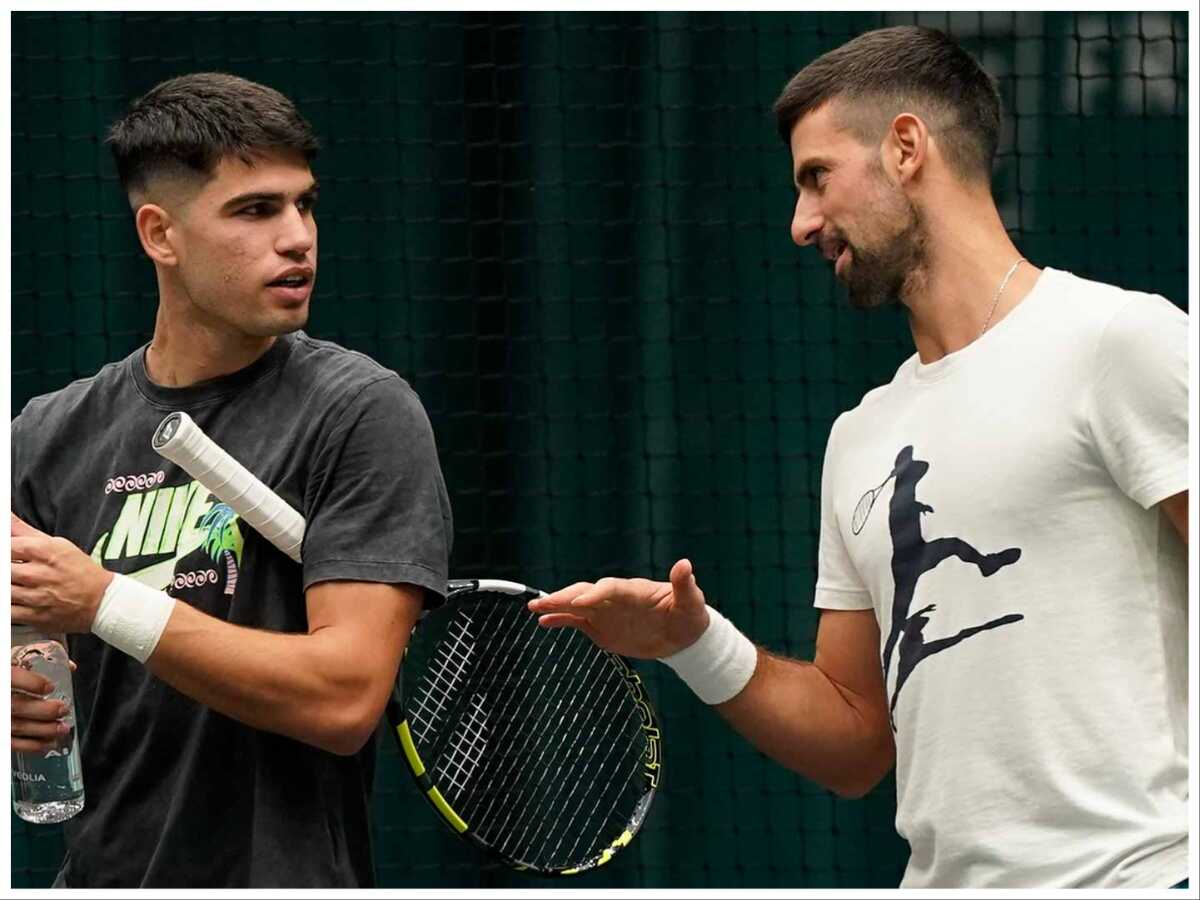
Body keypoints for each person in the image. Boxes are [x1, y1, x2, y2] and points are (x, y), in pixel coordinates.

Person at [529, 26, 1188, 889]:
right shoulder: (859, 438)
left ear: (906, 148)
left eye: (816, 178)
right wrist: (692, 641)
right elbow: (853, 746)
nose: (801, 224)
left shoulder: (1120, 341)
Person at [10, 72, 453, 888]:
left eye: (304, 204)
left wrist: (104, 601)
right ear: (160, 235)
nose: (298, 238)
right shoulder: (42, 436)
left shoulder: (362, 413)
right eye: (256, 211)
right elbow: (33, 670)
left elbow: (346, 698)